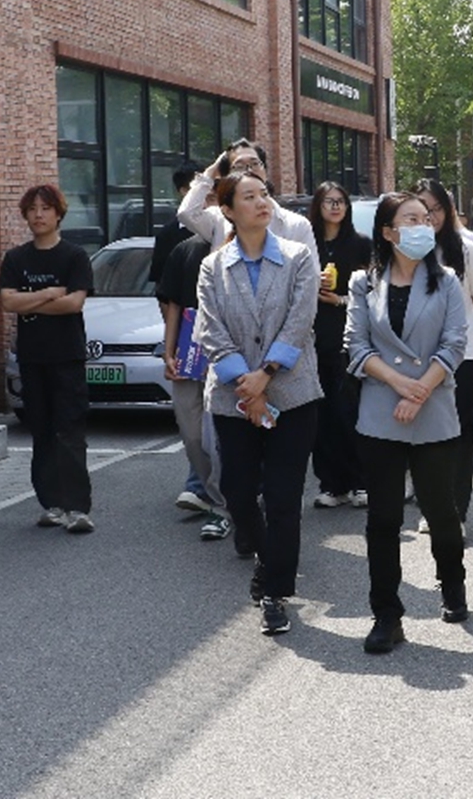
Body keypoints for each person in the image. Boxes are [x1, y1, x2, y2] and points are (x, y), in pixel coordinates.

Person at [195, 172, 322, 635]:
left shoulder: (297, 256)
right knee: (238, 491)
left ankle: (274, 590)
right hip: (233, 398)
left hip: (292, 393)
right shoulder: (213, 267)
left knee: (284, 497)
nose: (261, 202)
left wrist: (265, 376)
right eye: (248, 197)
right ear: (228, 210)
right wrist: (245, 385)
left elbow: (300, 320)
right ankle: (264, 559)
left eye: (264, 194)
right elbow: (209, 329)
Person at [346, 193, 468, 654]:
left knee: (440, 511)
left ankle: (452, 583)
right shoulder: (364, 282)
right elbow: (356, 345)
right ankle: (386, 614)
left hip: (432, 408)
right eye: (410, 219)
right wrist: (400, 384)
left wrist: (419, 392)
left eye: (426, 218)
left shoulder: (447, 281)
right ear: (388, 232)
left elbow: (454, 343)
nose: (422, 225)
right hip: (381, 410)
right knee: (383, 518)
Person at [0, 184, 95, 534]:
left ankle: (77, 508)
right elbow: (8, 302)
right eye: (32, 209)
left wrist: (30, 301)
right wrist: (49, 293)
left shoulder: (74, 256)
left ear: (58, 213)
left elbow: (74, 303)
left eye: (45, 208)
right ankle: (51, 504)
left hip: (67, 356)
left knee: (69, 430)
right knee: (41, 431)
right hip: (32, 358)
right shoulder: (16, 259)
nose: (38, 215)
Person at [414, 179, 473, 530]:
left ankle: (456, 511)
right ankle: (433, 506)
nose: (430, 217)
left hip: (464, 355)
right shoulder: (409, 248)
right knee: (426, 433)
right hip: (419, 356)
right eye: (422, 210)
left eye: (436, 209)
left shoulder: (465, 246)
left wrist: (465, 331)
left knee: (459, 433)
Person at [158, 232, 230, 541]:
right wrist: (169, 352)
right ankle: (212, 492)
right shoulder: (185, 250)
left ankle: (224, 507)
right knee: (192, 434)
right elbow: (174, 303)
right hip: (189, 352)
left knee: (223, 436)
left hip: (230, 355)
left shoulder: (245, 248)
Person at [307, 180, 374, 510]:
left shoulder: (361, 244)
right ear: (317, 206)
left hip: (348, 341)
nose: (335, 207)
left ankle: (362, 482)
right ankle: (332, 485)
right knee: (321, 418)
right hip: (312, 341)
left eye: (341, 201)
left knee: (350, 412)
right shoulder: (306, 245)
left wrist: (340, 300)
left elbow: (374, 295)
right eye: (329, 201)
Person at [178, 138, 317, 260]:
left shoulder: (296, 225)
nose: (249, 170)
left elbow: (310, 276)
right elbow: (187, 214)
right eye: (239, 166)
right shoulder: (218, 219)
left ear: (265, 171)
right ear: (227, 177)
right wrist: (209, 174)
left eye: (255, 163)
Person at [148, 164, 199, 287]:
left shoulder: (225, 225)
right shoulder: (167, 235)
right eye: (200, 187)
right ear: (184, 191)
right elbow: (161, 281)